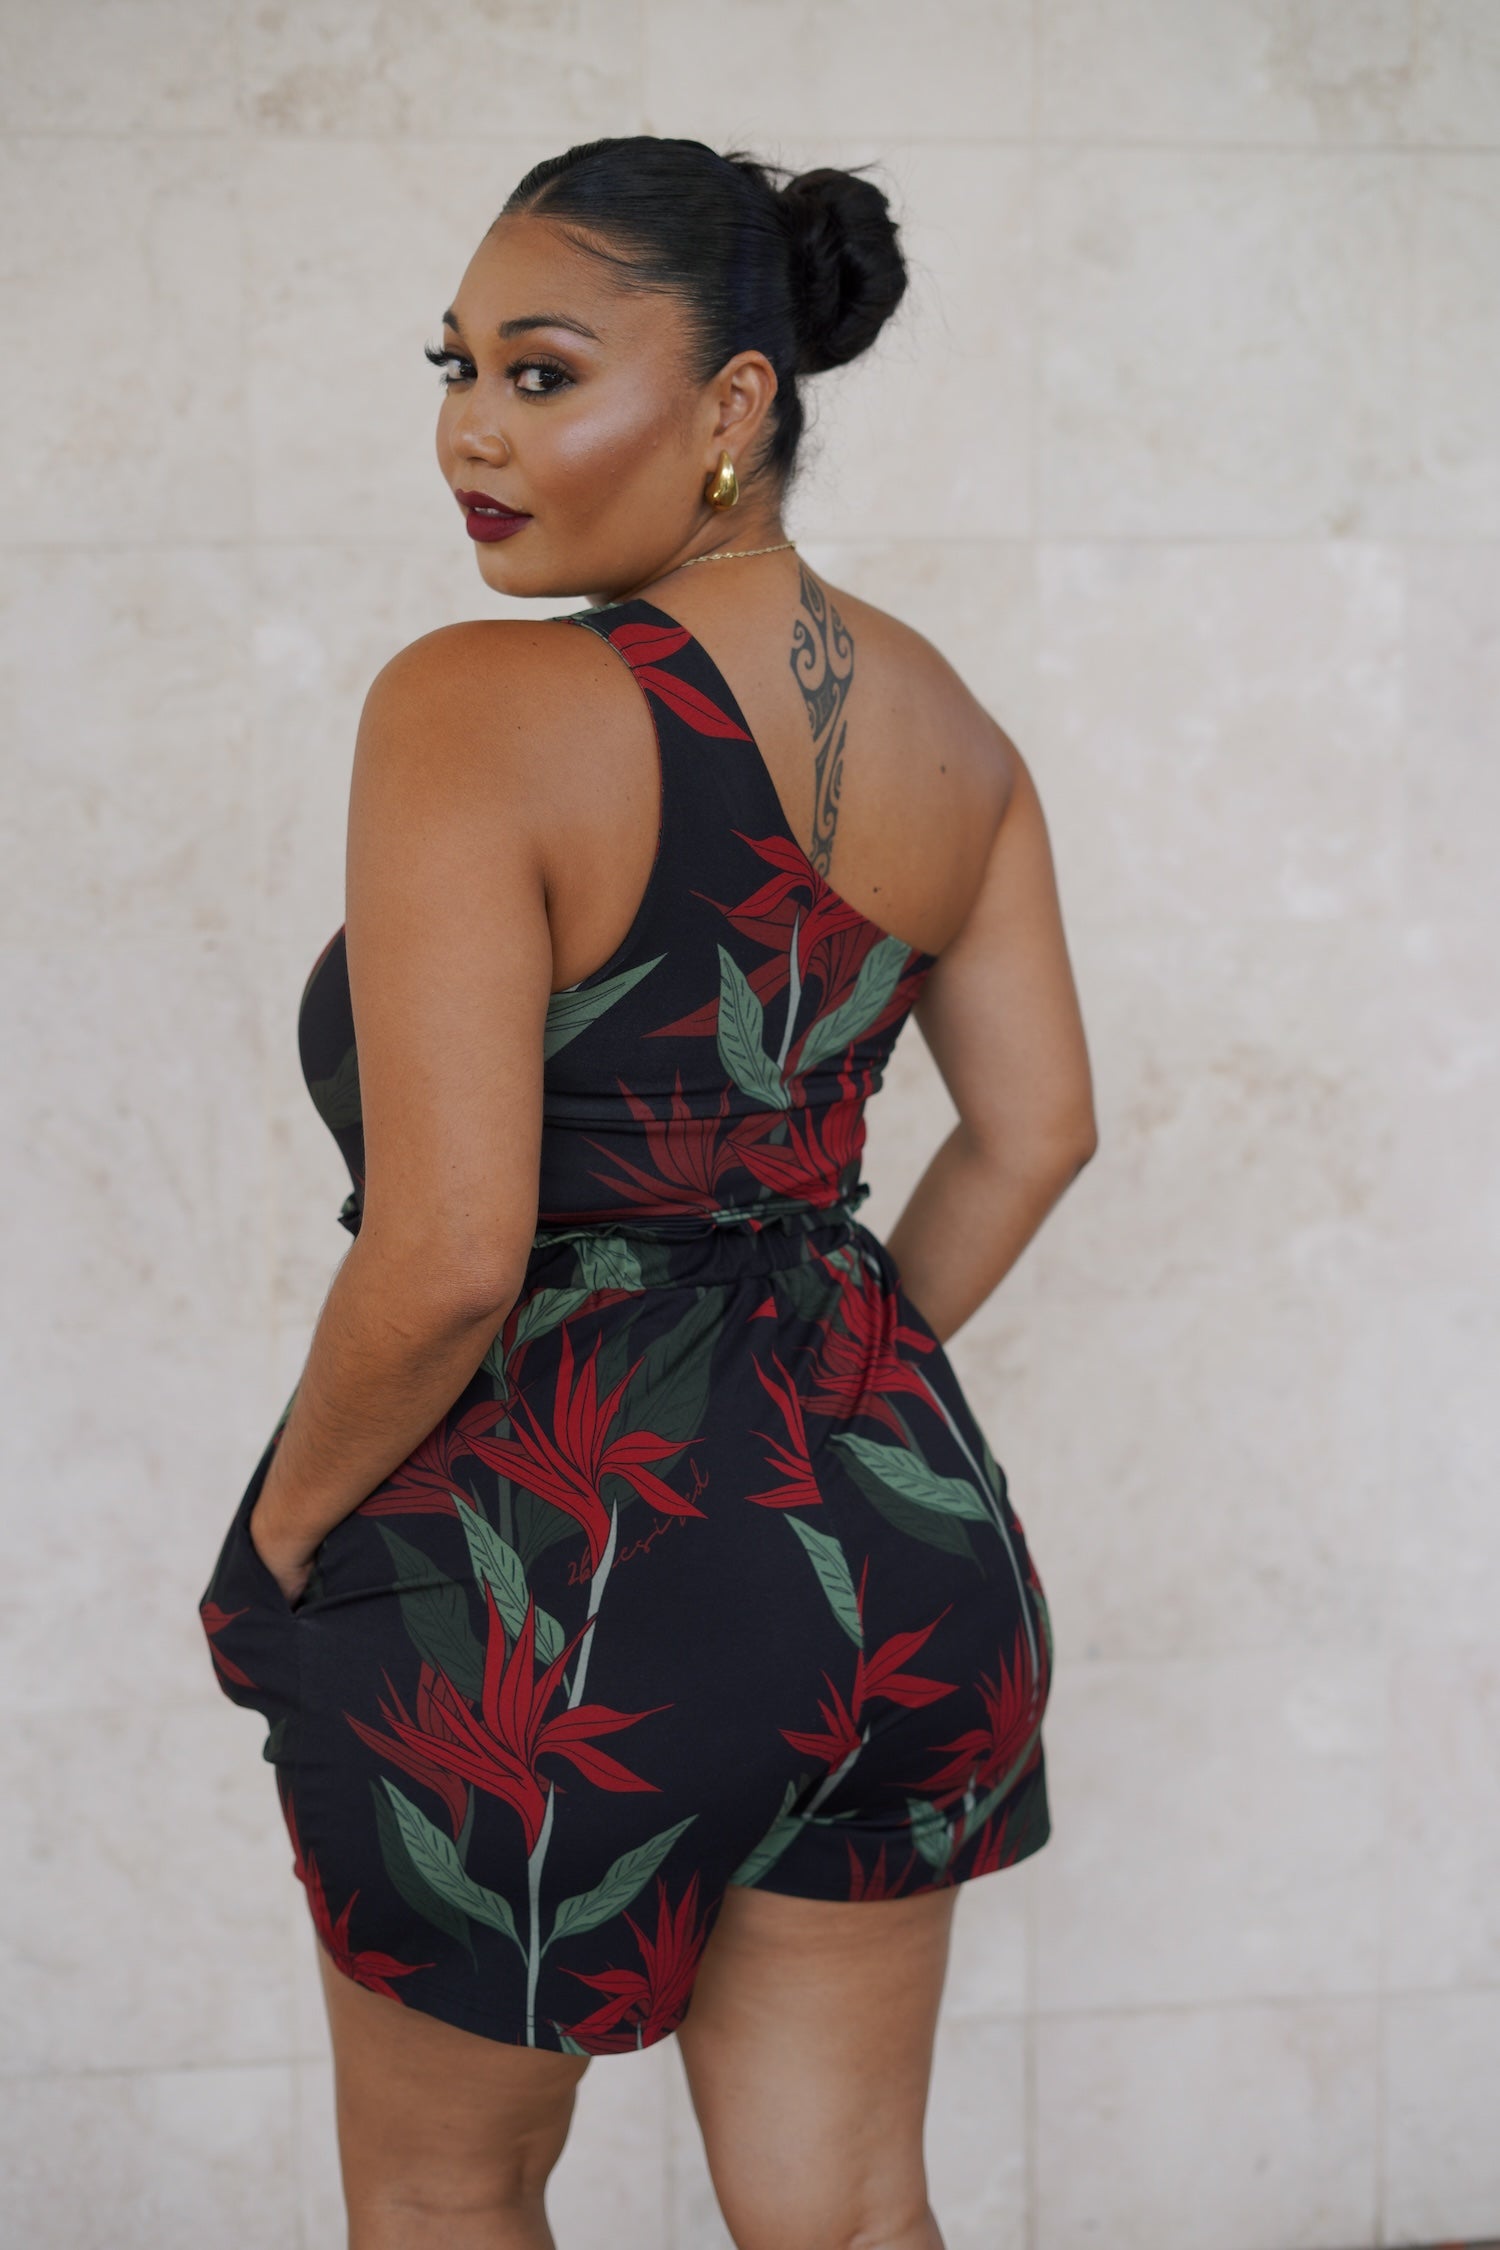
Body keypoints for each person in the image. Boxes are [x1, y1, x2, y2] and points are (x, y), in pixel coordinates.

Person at [198, 134, 1096, 2250]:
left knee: (449, 2194)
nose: (470, 433)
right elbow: (1040, 1130)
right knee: (849, 2210)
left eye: (541, 373)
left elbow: (449, 1255)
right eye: (456, 369)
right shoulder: (955, 729)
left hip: (549, 1579)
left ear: (733, 404)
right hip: (908, 1565)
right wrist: (806, 1400)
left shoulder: (477, 701)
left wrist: (279, 1538)